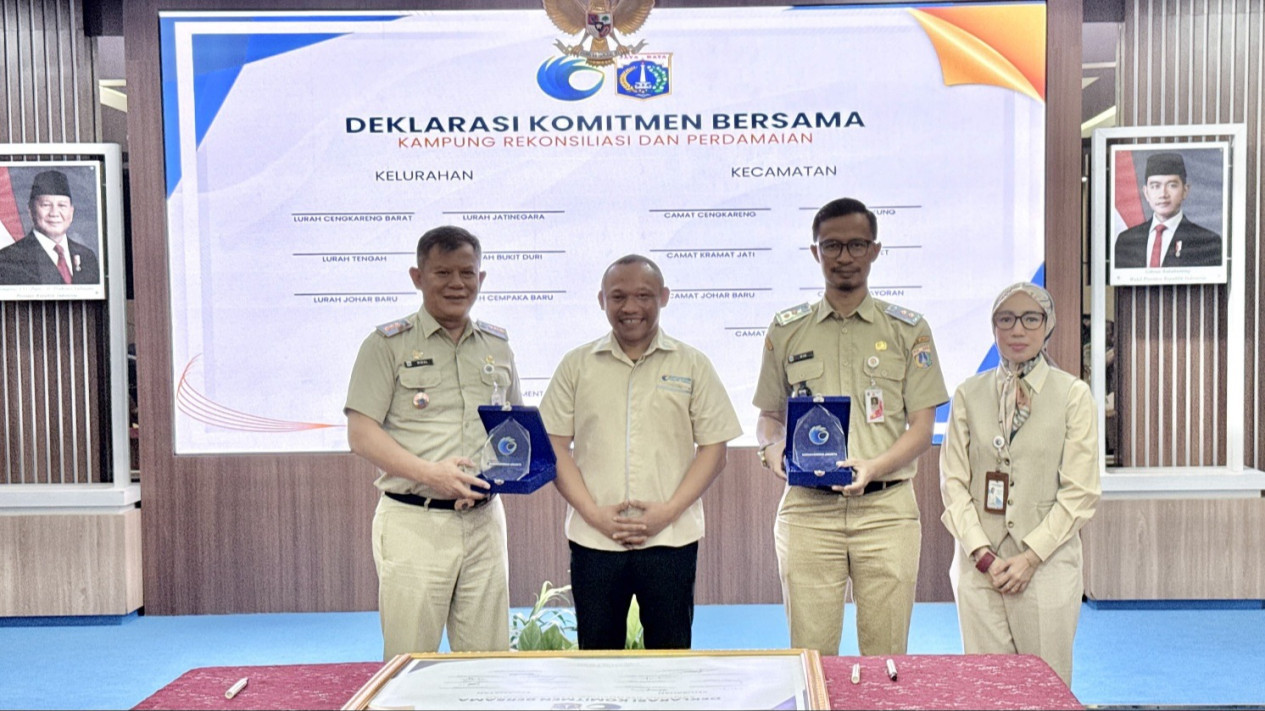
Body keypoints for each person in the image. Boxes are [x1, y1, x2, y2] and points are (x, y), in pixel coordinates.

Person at [753, 197, 949, 656]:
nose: (844, 256)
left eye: (856, 244)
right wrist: (772, 451)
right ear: (814, 252)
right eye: (832, 245)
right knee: (812, 655)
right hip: (808, 512)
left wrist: (874, 466)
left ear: (875, 250)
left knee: (886, 659)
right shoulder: (787, 330)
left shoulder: (909, 330)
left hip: (885, 512)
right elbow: (768, 418)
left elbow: (922, 429)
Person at [539, 254, 743, 650]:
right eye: (618, 296)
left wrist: (668, 512)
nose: (630, 307)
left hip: (670, 539)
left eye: (643, 296)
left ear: (663, 297)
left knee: (670, 658)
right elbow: (554, 446)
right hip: (595, 541)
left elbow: (715, 450)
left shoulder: (693, 363)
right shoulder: (576, 365)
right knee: (598, 659)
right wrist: (594, 514)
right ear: (602, 300)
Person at [344, 225, 520, 659]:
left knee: (487, 662)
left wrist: (505, 476)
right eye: (442, 272)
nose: (456, 283)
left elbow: (512, 432)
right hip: (415, 522)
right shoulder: (386, 345)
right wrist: (431, 475)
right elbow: (361, 434)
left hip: (483, 522)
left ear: (482, 278)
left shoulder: (497, 347)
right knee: (410, 661)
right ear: (417, 276)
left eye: (467, 272)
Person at [939, 282, 1101, 686]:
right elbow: (953, 482)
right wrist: (982, 554)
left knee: (1045, 687)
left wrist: (1030, 557)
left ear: (1048, 327)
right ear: (993, 327)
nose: (1017, 330)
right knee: (987, 687)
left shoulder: (1073, 396)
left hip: (1045, 567)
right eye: (1005, 319)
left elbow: (1080, 492)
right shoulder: (967, 394)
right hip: (979, 569)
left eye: (1031, 319)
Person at [1114, 152, 1222, 268]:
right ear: (1146, 192)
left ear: (1185, 190)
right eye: (1155, 186)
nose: (1163, 194)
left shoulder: (1207, 242)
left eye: (1172, 185)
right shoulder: (1126, 241)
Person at [0, 170, 101, 285]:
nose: (54, 213)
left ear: (71, 212)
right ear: (30, 210)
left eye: (62, 205)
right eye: (46, 205)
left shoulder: (87, 257)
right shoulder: (9, 259)